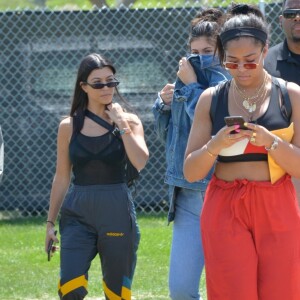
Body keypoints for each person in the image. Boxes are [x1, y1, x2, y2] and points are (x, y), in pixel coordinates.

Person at [184, 9, 300, 300]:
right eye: (232, 62)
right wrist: (215, 145)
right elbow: (190, 171)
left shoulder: (290, 95)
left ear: (264, 51)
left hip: (277, 202)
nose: (242, 69)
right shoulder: (212, 98)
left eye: (250, 61)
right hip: (225, 205)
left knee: (281, 291)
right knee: (232, 291)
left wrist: (272, 142)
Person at [45, 53, 149, 300]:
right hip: (77, 213)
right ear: (83, 87)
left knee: (117, 294)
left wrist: (121, 123)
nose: (106, 88)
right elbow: (61, 177)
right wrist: (50, 224)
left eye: (111, 82)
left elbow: (141, 161)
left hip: (116, 212)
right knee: (70, 290)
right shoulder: (68, 126)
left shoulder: (130, 122)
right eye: (98, 83)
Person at [153, 9, 230, 300]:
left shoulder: (227, 76)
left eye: (208, 50)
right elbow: (167, 137)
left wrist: (193, 86)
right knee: (181, 290)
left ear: (221, 50)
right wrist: (162, 103)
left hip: (221, 192)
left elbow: (214, 120)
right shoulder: (185, 76)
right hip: (186, 197)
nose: (200, 57)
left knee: (225, 288)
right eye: (194, 51)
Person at [265, 0, 300, 203]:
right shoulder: (266, 64)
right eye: (290, 13)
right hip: (282, 165)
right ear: (280, 20)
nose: (297, 17)